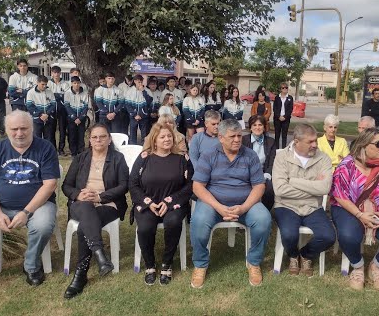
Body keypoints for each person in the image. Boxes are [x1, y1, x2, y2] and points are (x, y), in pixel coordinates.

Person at [190, 119, 272, 288]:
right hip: (214, 204)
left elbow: (259, 186)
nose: (237, 140)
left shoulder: (250, 155)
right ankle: (200, 264)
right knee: (198, 221)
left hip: (244, 203)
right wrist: (219, 207)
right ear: (220, 137)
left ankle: (254, 262)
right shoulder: (209, 155)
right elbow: (198, 186)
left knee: (263, 219)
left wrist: (244, 207)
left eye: (239, 136)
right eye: (232, 136)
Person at [330, 128, 379, 291]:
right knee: (348, 236)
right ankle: (358, 266)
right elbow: (339, 194)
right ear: (363, 145)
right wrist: (360, 214)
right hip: (351, 208)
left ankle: (376, 266)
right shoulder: (347, 164)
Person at [0, 110, 59, 286]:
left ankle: (31, 266)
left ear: (32, 128)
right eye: (14, 129)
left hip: (37, 206)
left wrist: (26, 212)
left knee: (42, 226)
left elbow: (50, 184)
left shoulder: (45, 148)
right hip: (0, 206)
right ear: (6, 129)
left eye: (24, 128)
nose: (19, 133)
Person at [62, 123, 129, 299]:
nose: (98, 140)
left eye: (102, 136)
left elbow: (124, 186)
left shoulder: (118, 159)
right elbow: (66, 186)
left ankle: (81, 274)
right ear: (90, 140)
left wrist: (100, 197)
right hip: (81, 204)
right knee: (86, 209)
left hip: (108, 205)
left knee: (86, 223)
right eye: (94, 137)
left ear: (109, 139)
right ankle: (99, 255)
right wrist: (79, 194)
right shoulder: (80, 158)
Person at [129, 123, 193, 286]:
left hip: (174, 203)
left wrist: (169, 201)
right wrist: (147, 202)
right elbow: (133, 184)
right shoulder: (144, 157)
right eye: (162, 136)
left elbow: (190, 185)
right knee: (144, 227)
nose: (167, 139)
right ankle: (149, 264)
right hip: (148, 203)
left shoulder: (182, 158)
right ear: (154, 140)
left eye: (169, 136)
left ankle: (167, 262)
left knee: (173, 222)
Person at [273, 124, 335, 275]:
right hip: (286, 205)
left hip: (313, 207)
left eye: (315, 141)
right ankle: (293, 255)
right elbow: (280, 190)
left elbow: (325, 188)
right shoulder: (282, 157)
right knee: (289, 235)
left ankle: (305, 255)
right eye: (310, 142)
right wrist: (314, 189)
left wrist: (292, 181)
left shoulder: (323, 158)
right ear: (296, 142)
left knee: (328, 237)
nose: (315, 145)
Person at [242, 115, 276, 210]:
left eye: (260, 125)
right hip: (247, 172)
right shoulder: (243, 140)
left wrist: (267, 175)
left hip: (264, 173)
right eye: (254, 125)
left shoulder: (271, 141)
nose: (257, 127)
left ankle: (265, 211)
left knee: (269, 189)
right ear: (250, 127)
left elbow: (272, 162)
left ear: (264, 127)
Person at [26, 75, 56, 147]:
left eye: (46, 84)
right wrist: (40, 115)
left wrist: (47, 114)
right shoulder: (31, 92)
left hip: (48, 118)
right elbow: (30, 106)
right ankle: (37, 153)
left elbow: (53, 104)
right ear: (37, 83)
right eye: (42, 84)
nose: (44, 86)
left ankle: (48, 154)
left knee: (49, 138)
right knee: (36, 138)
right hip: (37, 119)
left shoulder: (49, 92)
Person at [64, 76, 90, 157]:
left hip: (81, 119)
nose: (76, 85)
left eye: (78, 83)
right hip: (71, 118)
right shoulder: (67, 93)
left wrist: (81, 118)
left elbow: (86, 107)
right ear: (72, 83)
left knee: (81, 135)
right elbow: (67, 106)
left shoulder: (85, 93)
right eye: (74, 83)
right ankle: (73, 152)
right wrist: (74, 118)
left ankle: (81, 151)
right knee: (72, 135)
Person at [47, 66, 70, 156]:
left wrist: (55, 95)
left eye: (58, 72)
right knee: (51, 130)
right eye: (54, 72)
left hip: (62, 110)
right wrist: (59, 95)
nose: (56, 74)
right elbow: (47, 96)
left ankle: (61, 149)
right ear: (51, 73)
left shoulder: (65, 84)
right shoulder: (48, 83)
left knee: (62, 130)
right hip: (51, 110)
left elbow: (67, 96)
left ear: (60, 73)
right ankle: (53, 149)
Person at [124, 75, 152, 145]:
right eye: (138, 82)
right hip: (133, 117)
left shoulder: (147, 90)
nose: (140, 83)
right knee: (132, 135)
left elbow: (149, 101)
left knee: (144, 135)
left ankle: (144, 148)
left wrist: (143, 91)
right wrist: (134, 114)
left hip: (144, 116)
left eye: (141, 82)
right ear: (135, 81)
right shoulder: (130, 91)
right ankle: (132, 149)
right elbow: (127, 104)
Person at [273, 82, 294, 149]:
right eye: (283, 88)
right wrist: (279, 116)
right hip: (277, 119)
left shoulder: (290, 98)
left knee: (284, 135)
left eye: (286, 87)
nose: (285, 89)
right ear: (280, 89)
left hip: (286, 119)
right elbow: (275, 108)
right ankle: (276, 149)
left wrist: (284, 117)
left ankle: (283, 149)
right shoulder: (277, 97)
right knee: (277, 135)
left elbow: (290, 109)